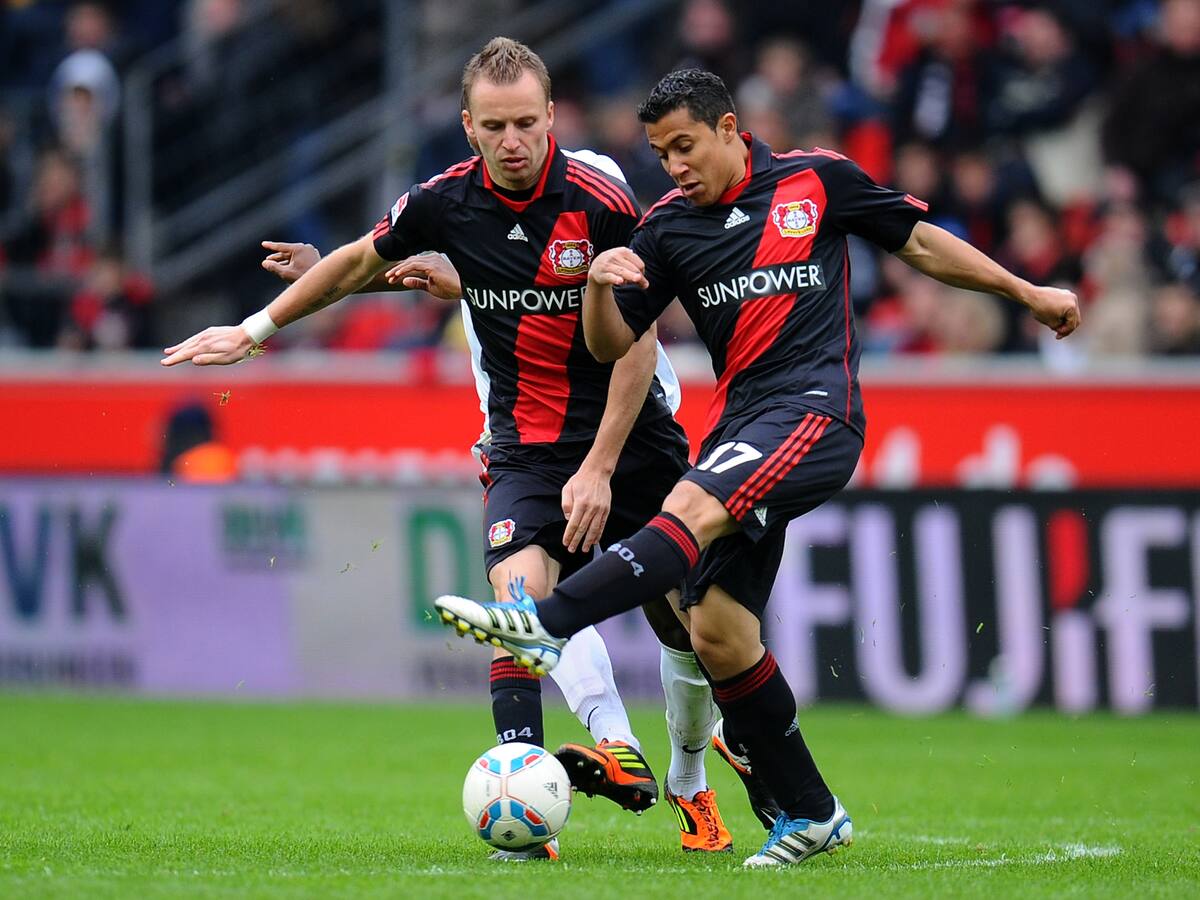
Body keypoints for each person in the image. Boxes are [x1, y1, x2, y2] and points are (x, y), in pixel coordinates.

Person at [434, 68, 1081, 868]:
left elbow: (918, 242)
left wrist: (1025, 291)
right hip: (741, 426)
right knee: (719, 632)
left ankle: (544, 623)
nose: (672, 166)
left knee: (688, 513)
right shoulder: (666, 230)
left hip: (815, 409)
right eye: (660, 152)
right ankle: (811, 812)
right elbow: (608, 346)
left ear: (730, 128)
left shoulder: (818, 181)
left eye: (684, 146)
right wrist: (598, 284)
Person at [160, 39, 732, 858]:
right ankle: (535, 806)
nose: (512, 140)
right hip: (526, 443)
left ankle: (688, 782)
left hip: (627, 432)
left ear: (551, 120)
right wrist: (256, 330)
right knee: (518, 608)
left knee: (692, 629)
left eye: (527, 123)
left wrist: (603, 467)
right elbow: (377, 258)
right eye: (494, 126)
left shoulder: (601, 192)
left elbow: (632, 335)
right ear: (468, 127)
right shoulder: (444, 203)